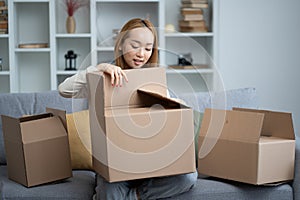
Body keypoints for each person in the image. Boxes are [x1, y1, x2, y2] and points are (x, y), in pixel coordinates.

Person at [58, 18, 197, 200]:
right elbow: (64, 90)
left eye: (148, 48)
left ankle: (136, 196)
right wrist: (97, 70)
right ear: (121, 44)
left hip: (151, 164)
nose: (141, 54)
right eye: (135, 45)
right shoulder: (103, 78)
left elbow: (174, 119)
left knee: (187, 178)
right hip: (115, 165)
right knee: (109, 193)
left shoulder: (154, 79)